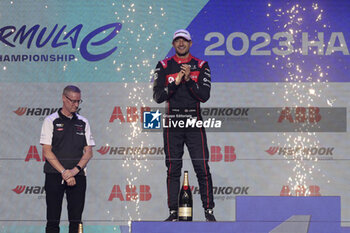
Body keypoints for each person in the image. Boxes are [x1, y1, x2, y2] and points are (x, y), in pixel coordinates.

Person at [153, 29, 216, 221]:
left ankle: (209, 212)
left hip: (193, 122)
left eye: (185, 41)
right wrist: (175, 82)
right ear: (173, 44)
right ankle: (173, 213)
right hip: (173, 124)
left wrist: (188, 80)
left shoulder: (201, 65)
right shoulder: (164, 65)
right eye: (177, 41)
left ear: (190, 43)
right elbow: (158, 97)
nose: (181, 44)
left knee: (202, 168)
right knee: (173, 169)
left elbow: (204, 96)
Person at [40, 85, 95, 233]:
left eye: (79, 101)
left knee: (76, 221)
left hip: (78, 176)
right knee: (52, 220)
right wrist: (64, 172)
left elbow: (88, 152)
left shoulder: (83, 122)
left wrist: (75, 171)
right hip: (54, 175)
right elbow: (47, 151)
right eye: (73, 101)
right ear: (64, 98)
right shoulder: (50, 120)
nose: (76, 105)